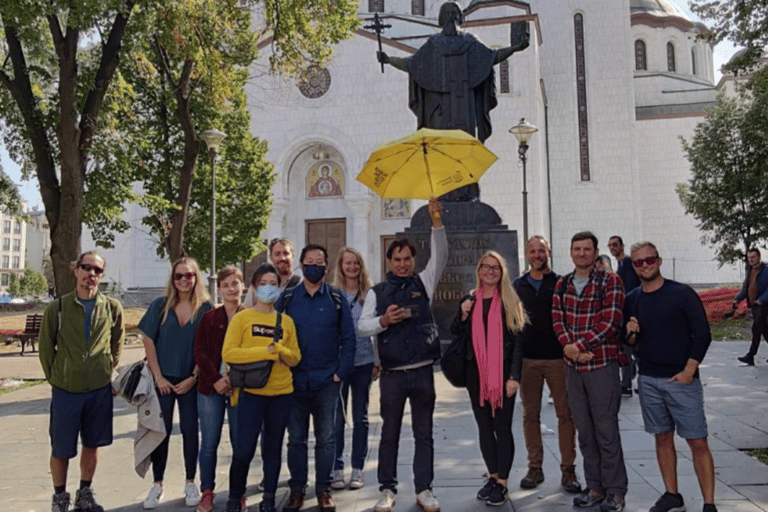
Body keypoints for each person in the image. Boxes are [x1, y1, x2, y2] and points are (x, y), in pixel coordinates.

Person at [377, 1, 529, 201]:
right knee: (440, 150)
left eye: (453, 13)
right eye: (447, 14)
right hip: (439, 110)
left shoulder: (470, 42)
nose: (450, 17)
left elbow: (491, 57)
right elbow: (413, 64)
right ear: (441, 19)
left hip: (463, 106)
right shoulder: (433, 45)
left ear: (459, 17)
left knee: (465, 150)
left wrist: (514, 48)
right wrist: (389, 60)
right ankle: (443, 192)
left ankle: (469, 193)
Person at [358, 197, 447, 512]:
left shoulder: (424, 282)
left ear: (413, 259)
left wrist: (437, 222)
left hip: (422, 371)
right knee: (389, 435)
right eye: (397, 259)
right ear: (389, 261)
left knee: (424, 434)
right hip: (393, 375)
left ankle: (424, 489)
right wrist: (383, 321)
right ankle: (387, 488)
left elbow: (441, 255)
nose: (403, 264)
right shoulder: (377, 292)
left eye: (407, 258)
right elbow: (363, 327)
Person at [625, 241, 717, 512]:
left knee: (697, 441)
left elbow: (702, 334)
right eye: (639, 262)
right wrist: (630, 332)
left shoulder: (682, 294)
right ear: (634, 266)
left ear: (659, 260)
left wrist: (689, 371)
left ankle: (709, 503)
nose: (645, 265)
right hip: (649, 380)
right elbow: (629, 342)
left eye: (649, 260)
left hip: (681, 380)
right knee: (662, 438)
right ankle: (672, 495)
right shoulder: (632, 299)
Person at [39, 251, 125, 512]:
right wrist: (56, 377)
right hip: (67, 389)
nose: (91, 274)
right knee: (61, 448)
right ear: (76, 270)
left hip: (98, 389)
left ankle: (85, 492)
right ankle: (59, 497)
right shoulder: (59, 308)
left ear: (101, 276)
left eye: (97, 270)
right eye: (86, 268)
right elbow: (45, 348)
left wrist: (107, 369)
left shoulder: (111, 307)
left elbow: (117, 342)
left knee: (92, 444)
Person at [275, 245, 356, 512]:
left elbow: (348, 338)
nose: (314, 266)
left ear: (326, 267)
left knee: (327, 438)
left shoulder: (335, 296)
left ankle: (324, 489)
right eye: (309, 261)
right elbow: (273, 335)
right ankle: (297, 489)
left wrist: (340, 373)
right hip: (294, 382)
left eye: (319, 262)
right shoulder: (286, 298)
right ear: (300, 264)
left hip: (326, 381)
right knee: (296, 438)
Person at [552, 231, 628, 512]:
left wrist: (579, 345)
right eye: (577, 249)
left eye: (587, 249)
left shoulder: (610, 281)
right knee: (584, 431)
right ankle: (594, 487)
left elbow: (610, 322)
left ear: (595, 252)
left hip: (601, 365)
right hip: (573, 368)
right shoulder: (563, 284)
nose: (582, 253)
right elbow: (557, 319)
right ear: (571, 252)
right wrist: (569, 348)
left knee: (606, 430)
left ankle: (616, 491)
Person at [223, 263, 301, 512]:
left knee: (273, 448)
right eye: (263, 284)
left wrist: (279, 351)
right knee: (243, 449)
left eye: (273, 284)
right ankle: (235, 498)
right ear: (255, 288)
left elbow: (295, 358)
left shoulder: (286, 321)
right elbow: (229, 353)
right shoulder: (242, 317)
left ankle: (269, 498)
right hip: (251, 394)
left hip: (281, 394)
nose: (268, 288)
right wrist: (265, 352)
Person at [451, 251, 526, 506]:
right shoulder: (469, 299)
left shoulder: (509, 301)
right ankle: (493, 477)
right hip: (476, 374)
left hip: (503, 374)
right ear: (479, 269)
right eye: (486, 267)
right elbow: (455, 331)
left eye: (495, 268)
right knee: (484, 427)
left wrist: (515, 376)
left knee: (501, 428)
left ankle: (503, 482)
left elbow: (518, 343)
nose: (490, 271)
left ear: (502, 272)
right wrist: (462, 314)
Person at [138, 257, 212, 509]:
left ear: (196, 278)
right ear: (172, 279)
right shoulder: (160, 306)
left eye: (188, 275)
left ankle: (190, 482)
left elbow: (208, 347)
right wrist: (158, 377)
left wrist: (193, 377)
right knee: (161, 432)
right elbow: (148, 341)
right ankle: (157, 484)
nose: (183, 280)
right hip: (163, 381)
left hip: (191, 381)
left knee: (191, 431)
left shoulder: (205, 308)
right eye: (178, 276)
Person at [513, 236, 581, 494]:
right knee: (530, 415)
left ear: (549, 252)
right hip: (528, 360)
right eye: (533, 251)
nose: (537, 255)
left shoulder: (562, 283)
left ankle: (568, 470)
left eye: (541, 250)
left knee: (565, 415)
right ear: (527, 254)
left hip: (558, 358)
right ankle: (535, 468)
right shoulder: (517, 285)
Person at [193, 266, 245, 512]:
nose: (231, 289)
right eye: (226, 285)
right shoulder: (209, 318)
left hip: (240, 388)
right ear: (219, 289)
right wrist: (215, 378)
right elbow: (200, 352)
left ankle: (238, 492)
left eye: (235, 283)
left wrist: (234, 378)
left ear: (242, 286)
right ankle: (207, 490)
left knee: (240, 442)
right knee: (209, 442)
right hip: (211, 388)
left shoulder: (251, 316)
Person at [331, 247, 379, 490]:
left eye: (355, 263)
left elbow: (377, 330)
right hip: (339, 363)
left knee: (360, 416)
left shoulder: (369, 294)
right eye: (347, 263)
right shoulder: (333, 295)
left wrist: (377, 360)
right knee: (337, 417)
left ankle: (357, 468)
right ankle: (337, 468)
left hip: (363, 362)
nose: (351, 267)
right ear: (340, 266)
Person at [608, 236, 639, 397]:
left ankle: (626, 384)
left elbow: (630, 288)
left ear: (622, 246)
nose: (612, 247)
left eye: (615, 245)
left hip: (628, 313)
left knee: (628, 348)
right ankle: (631, 377)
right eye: (610, 245)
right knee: (631, 349)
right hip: (625, 312)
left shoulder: (626, 263)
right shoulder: (620, 265)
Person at [733, 248, 768, 365]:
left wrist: (761, 300)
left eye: (753, 257)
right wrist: (737, 299)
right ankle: (750, 356)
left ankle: (750, 355)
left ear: (758, 257)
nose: (751, 260)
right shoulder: (750, 271)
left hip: (763, 305)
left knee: (756, 329)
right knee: (764, 330)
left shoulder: (765, 270)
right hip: (754, 306)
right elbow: (745, 289)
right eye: (749, 258)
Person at [245, 238, 301, 307]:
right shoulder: (259, 283)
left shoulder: (301, 284)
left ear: (293, 256)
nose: (282, 258)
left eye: (286, 253)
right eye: (277, 254)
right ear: (271, 257)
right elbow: (246, 310)